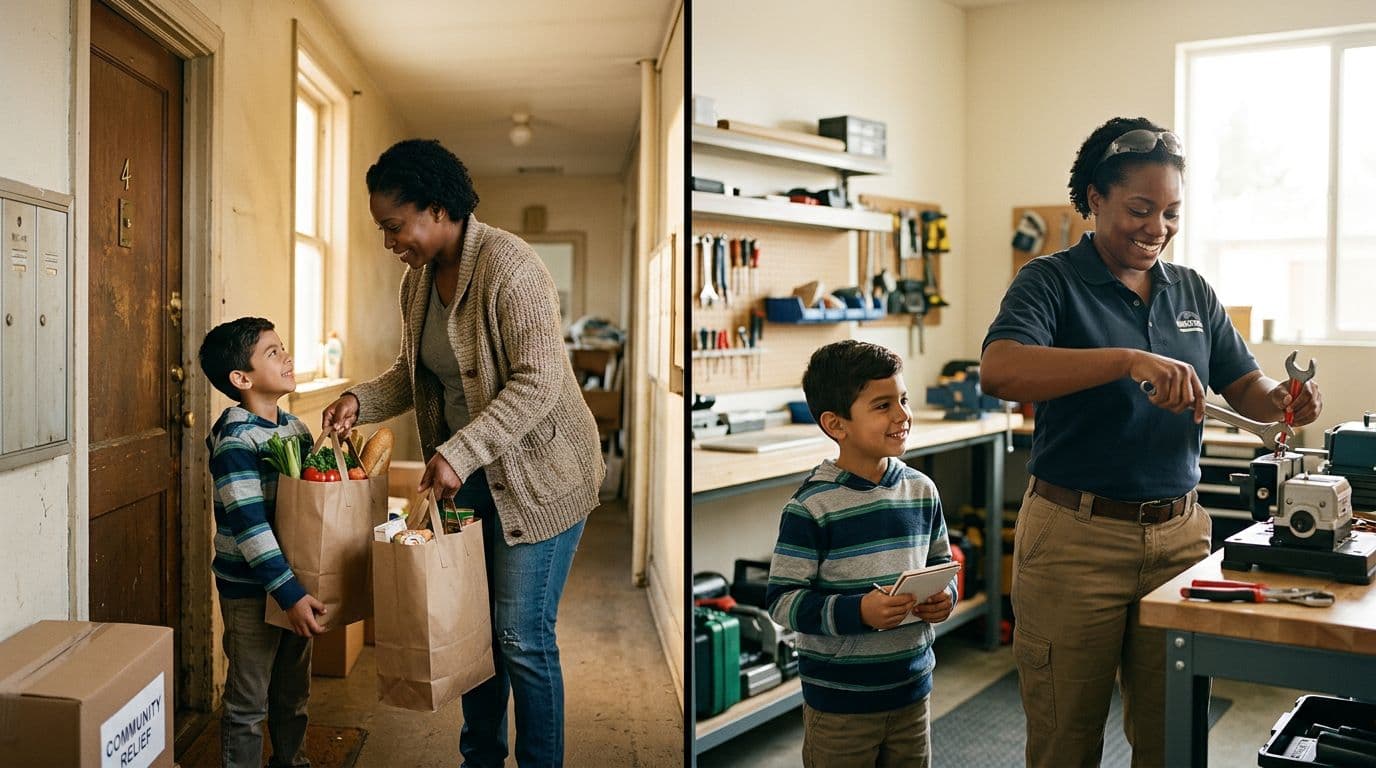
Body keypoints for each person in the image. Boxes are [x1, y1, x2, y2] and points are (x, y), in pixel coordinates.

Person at [980, 116, 1323, 767]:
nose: (1157, 228)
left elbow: (1245, 385)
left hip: (1179, 538)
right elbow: (1000, 370)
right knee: (1065, 739)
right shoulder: (1049, 281)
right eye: (1140, 209)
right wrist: (1125, 359)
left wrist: (1283, 399)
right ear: (1093, 199)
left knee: (1172, 734)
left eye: (1171, 213)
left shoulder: (1191, 289)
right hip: (1075, 538)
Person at [320, 139, 604, 767]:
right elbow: (412, 372)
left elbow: (539, 380)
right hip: (469, 478)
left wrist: (460, 449)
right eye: (383, 230)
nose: (391, 242)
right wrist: (357, 401)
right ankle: (480, 761)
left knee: (521, 639)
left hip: (543, 479)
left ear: (437, 206)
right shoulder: (416, 282)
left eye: (395, 226)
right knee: (475, 635)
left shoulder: (511, 267)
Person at [766, 340, 957, 768]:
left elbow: (943, 566)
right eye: (883, 405)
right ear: (837, 424)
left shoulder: (922, 491)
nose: (903, 415)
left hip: (912, 691)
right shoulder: (812, 507)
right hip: (840, 706)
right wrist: (859, 613)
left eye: (903, 400)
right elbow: (782, 600)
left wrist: (946, 596)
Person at [198, 316, 324, 768]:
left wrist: (335, 444)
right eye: (273, 352)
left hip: (296, 586)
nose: (286, 356)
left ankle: (293, 761)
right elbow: (250, 528)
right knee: (248, 703)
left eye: (283, 347)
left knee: (293, 694)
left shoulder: (296, 430)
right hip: (253, 591)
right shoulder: (236, 439)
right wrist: (288, 593)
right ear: (241, 378)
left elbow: (313, 504)